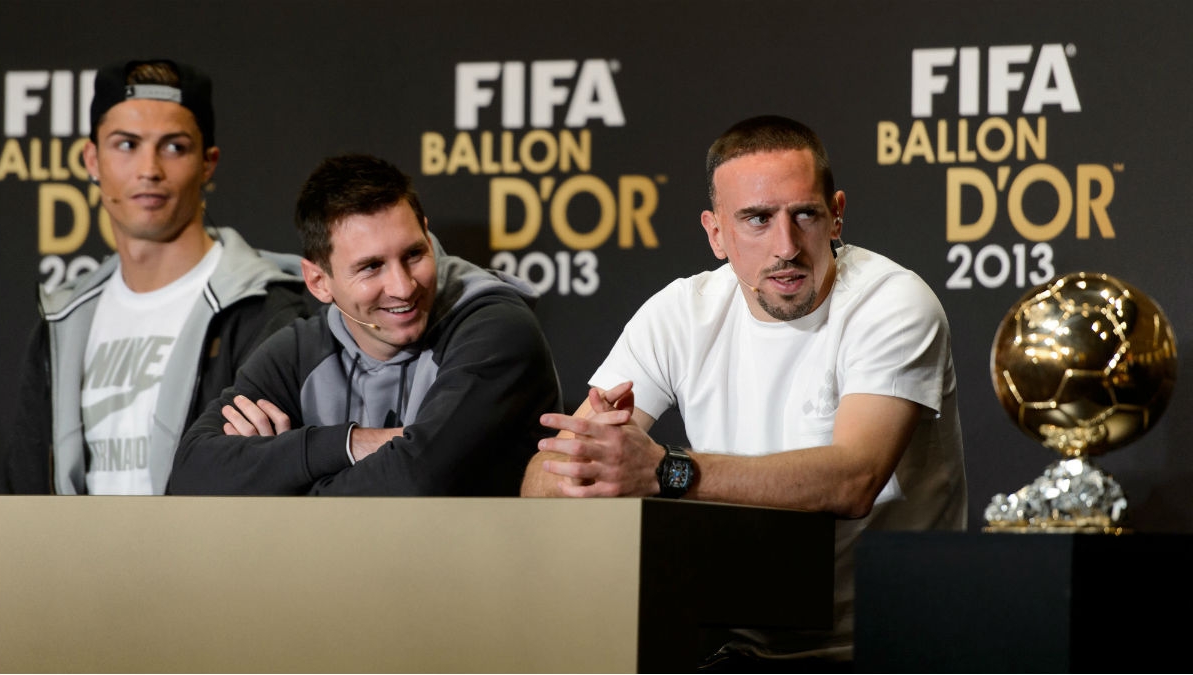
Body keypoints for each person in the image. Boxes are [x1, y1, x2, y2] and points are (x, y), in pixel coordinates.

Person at [521, 116, 967, 664]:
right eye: (756, 219)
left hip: (885, 644)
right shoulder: (681, 312)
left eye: (804, 214)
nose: (786, 246)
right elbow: (544, 483)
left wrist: (664, 470)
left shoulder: (892, 303)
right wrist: (587, 467)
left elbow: (854, 479)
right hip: (733, 645)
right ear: (715, 233)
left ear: (836, 216)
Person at [168, 154, 561, 495]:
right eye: (371, 267)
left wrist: (276, 481)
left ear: (427, 233)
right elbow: (189, 476)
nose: (403, 286)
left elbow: (418, 482)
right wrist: (350, 443)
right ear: (319, 281)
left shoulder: (495, 329)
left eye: (413, 254)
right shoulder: (300, 351)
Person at [2, 59, 308, 495]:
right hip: (74, 564)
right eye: (126, 145)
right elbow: (26, 493)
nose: (149, 169)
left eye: (174, 147)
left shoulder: (268, 308)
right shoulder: (61, 322)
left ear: (208, 163)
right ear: (92, 159)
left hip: (214, 563)